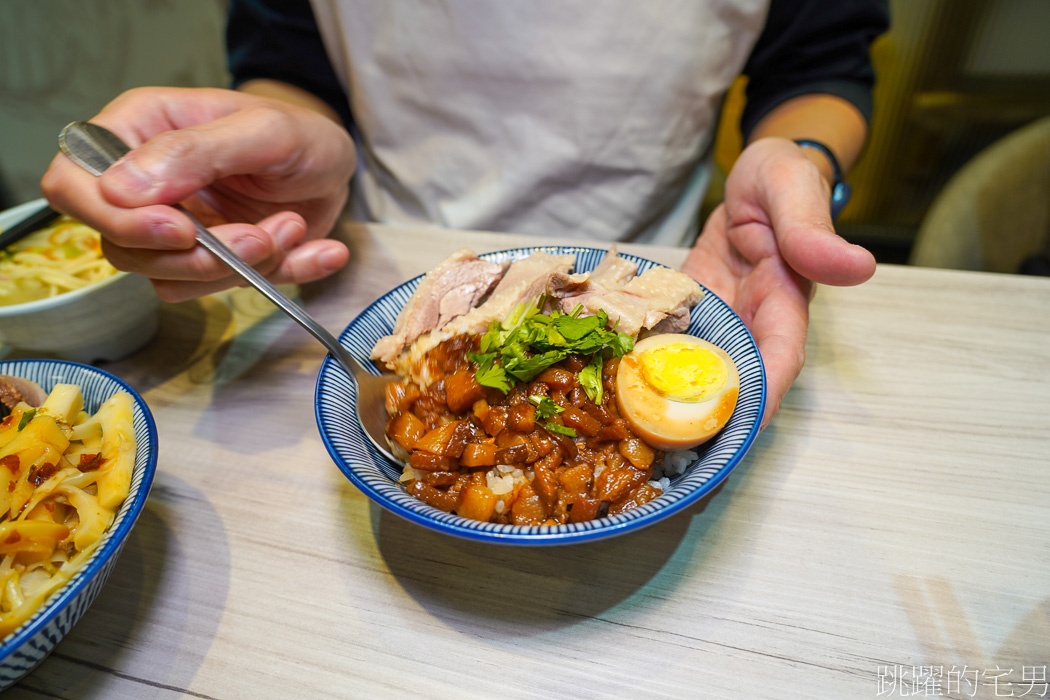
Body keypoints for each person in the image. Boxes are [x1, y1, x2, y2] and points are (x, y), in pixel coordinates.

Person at [41, 0, 888, 427]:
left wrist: (801, 165)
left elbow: (820, 64)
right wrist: (282, 151)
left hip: (670, 268)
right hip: (373, 261)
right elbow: (286, 56)